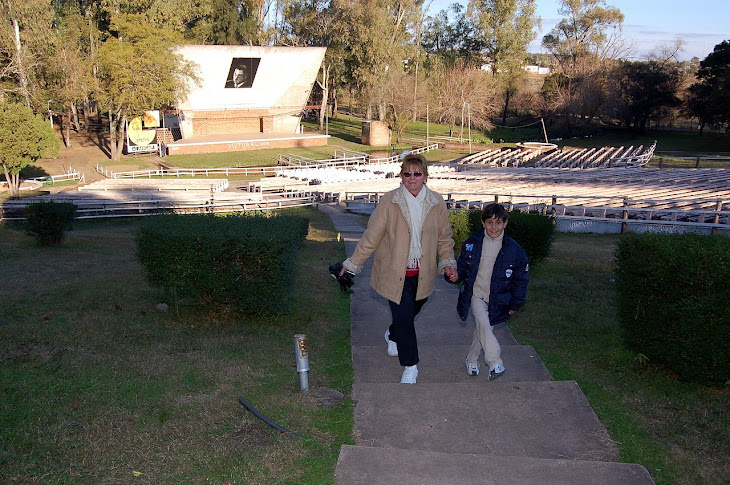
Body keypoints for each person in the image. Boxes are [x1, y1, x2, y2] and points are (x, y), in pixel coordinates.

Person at [340, 153, 458, 384]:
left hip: (423, 274)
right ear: (401, 176)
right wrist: (353, 264)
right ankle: (410, 365)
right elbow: (372, 235)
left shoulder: (436, 202)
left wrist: (448, 263)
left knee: (408, 315)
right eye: (407, 174)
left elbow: (444, 237)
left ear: (425, 176)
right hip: (395, 273)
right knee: (405, 319)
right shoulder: (390, 201)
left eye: (417, 173)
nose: (412, 178)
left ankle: (393, 334)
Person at [450, 203, 529, 380]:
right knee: (484, 324)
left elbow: (521, 279)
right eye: (490, 222)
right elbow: (462, 266)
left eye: (498, 223)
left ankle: (471, 359)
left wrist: (516, 302)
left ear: (505, 223)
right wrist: (454, 275)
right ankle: (495, 362)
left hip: (497, 299)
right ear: (483, 222)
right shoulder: (473, 243)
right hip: (476, 294)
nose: (494, 227)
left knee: (482, 330)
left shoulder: (514, 250)